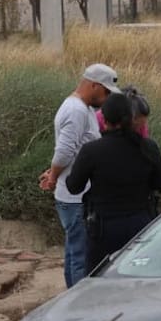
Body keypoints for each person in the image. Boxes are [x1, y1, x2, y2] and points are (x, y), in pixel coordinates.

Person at [66, 92, 161, 276]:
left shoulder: (92, 151)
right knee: (140, 277)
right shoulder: (148, 147)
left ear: (104, 119)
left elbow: (74, 186)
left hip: (104, 227)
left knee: (98, 279)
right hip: (141, 224)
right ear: (132, 118)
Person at [39, 63, 120, 288]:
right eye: (105, 92)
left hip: (75, 192)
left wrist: (55, 171)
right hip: (74, 196)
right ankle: (76, 302)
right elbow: (65, 150)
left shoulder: (82, 108)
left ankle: (71, 298)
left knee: (74, 251)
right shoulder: (76, 110)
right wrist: (54, 175)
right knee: (80, 255)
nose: (106, 99)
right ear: (94, 86)